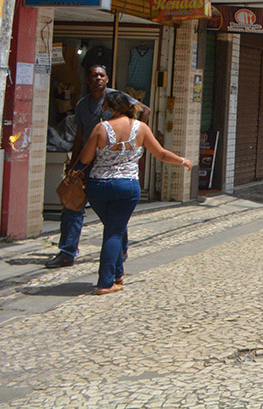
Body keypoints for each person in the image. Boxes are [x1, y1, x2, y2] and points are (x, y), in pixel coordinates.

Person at [78, 90, 191, 294]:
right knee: (114, 231)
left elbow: (85, 159)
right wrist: (183, 161)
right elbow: (162, 154)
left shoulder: (100, 129)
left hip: (99, 186)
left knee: (114, 228)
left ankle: (117, 274)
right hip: (126, 186)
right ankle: (105, 282)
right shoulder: (142, 129)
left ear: (110, 108)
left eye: (104, 107)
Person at [47, 64, 150, 269]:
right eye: (94, 76)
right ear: (87, 80)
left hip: (110, 162)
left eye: (101, 75)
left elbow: (144, 111)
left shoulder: (116, 98)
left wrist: (134, 137)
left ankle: (120, 249)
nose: (98, 79)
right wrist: (74, 165)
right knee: (72, 204)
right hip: (87, 160)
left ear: (107, 79)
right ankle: (67, 252)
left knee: (113, 212)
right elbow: (79, 137)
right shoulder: (82, 105)